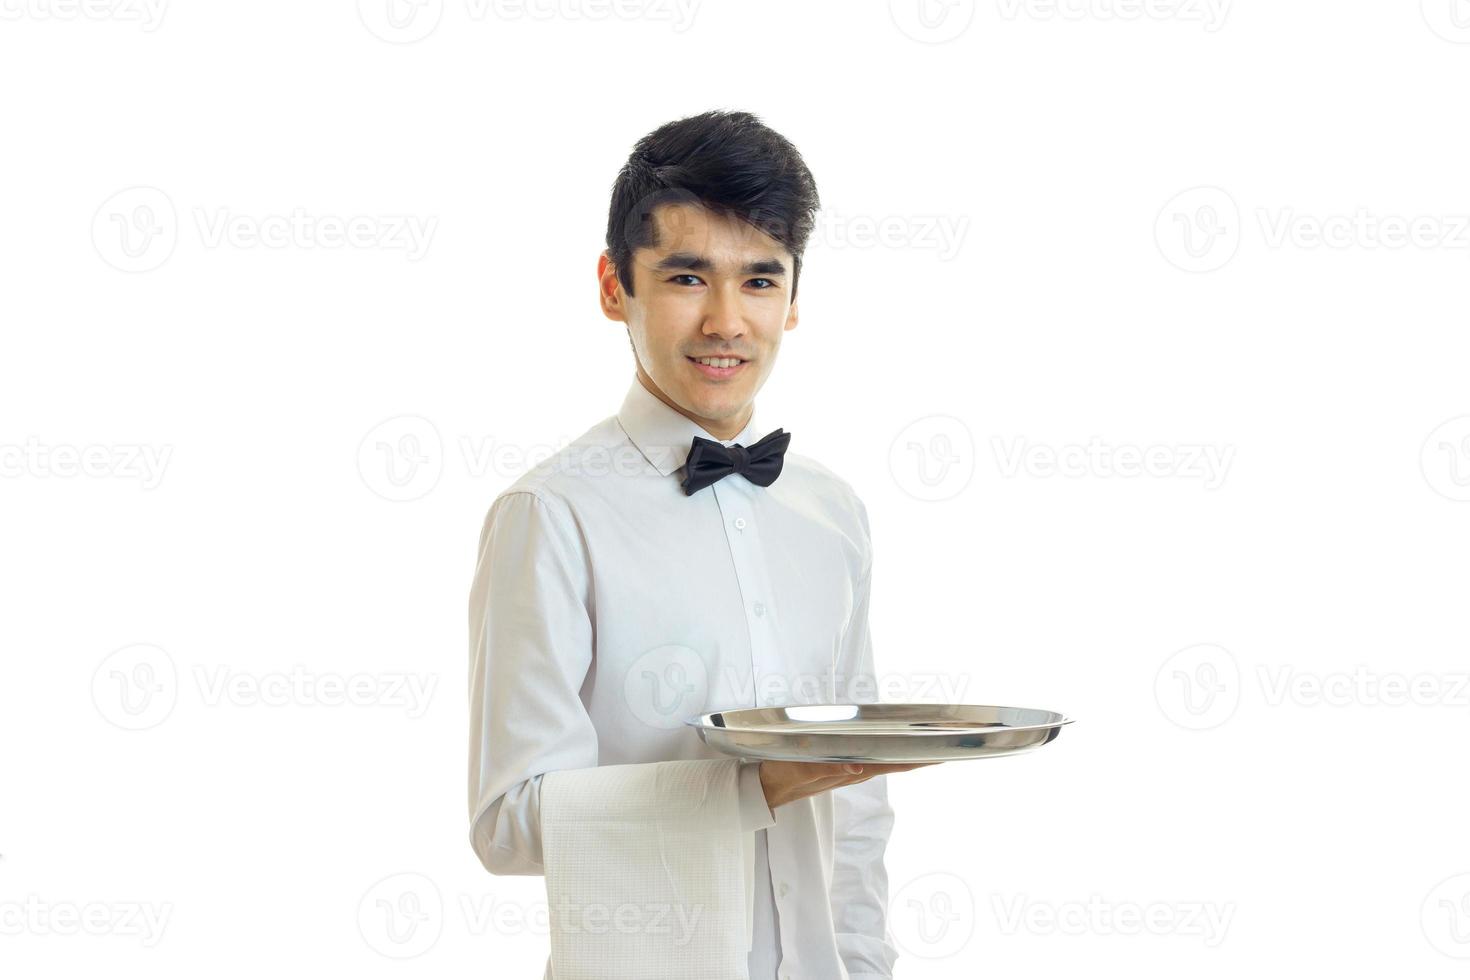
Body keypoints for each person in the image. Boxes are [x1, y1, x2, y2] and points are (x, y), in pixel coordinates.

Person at [468, 108, 935, 980]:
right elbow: (508, 822)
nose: (727, 320)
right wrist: (746, 791)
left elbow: (859, 808)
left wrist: (866, 965)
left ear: (794, 301)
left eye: (760, 281)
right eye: (688, 277)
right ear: (615, 287)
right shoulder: (552, 512)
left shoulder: (833, 512)